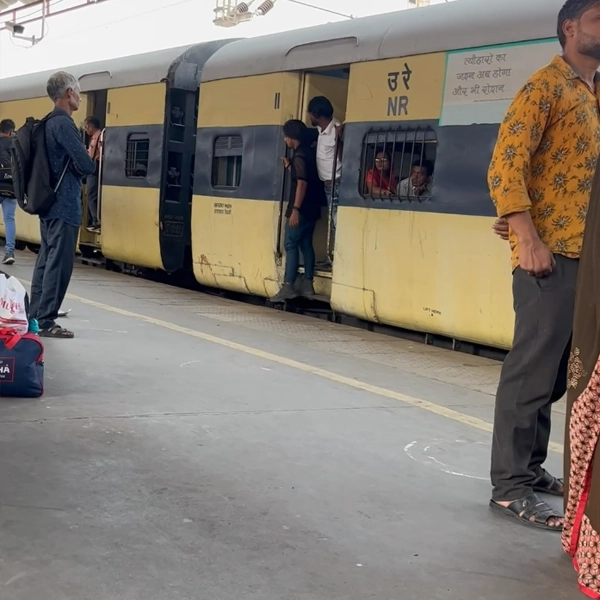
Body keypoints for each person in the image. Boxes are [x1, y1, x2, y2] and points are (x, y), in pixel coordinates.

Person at [487, 0, 600, 531]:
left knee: (557, 373)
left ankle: (529, 470)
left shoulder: (592, 93)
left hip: (586, 255)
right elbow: (506, 162)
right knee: (532, 368)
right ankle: (509, 487)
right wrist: (526, 235)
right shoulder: (545, 86)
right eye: (598, 18)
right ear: (569, 27)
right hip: (549, 256)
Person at [30, 71, 95, 339]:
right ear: (69, 93)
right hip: (64, 206)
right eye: (78, 92)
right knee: (59, 263)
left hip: (47, 204)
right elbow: (87, 165)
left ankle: (35, 316)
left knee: (45, 261)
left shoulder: (47, 122)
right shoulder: (64, 124)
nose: (80, 97)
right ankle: (46, 321)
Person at [270, 119, 322, 303]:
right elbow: (304, 175)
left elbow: (301, 183)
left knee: (290, 244)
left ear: (292, 137)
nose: (285, 140)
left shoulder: (299, 155)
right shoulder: (309, 152)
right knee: (306, 244)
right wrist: (289, 167)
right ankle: (308, 285)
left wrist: (295, 210)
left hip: (301, 209)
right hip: (313, 209)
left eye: (286, 136)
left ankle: (288, 286)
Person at [308, 95, 343, 257]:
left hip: (336, 184)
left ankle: (339, 256)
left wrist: (341, 138)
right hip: (327, 184)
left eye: (310, 113)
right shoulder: (321, 130)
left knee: (338, 222)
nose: (309, 116)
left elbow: (344, 157)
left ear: (317, 114)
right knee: (333, 221)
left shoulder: (337, 130)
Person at [0, 119, 17, 265]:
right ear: (10, 131)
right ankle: (9, 252)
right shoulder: (15, 144)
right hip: (11, 187)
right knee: (9, 219)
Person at [84, 116, 101, 233]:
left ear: (91, 126)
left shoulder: (96, 137)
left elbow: (91, 155)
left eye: (86, 127)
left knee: (90, 195)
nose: (85, 130)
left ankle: (95, 220)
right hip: (97, 167)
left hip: (94, 169)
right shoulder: (99, 135)